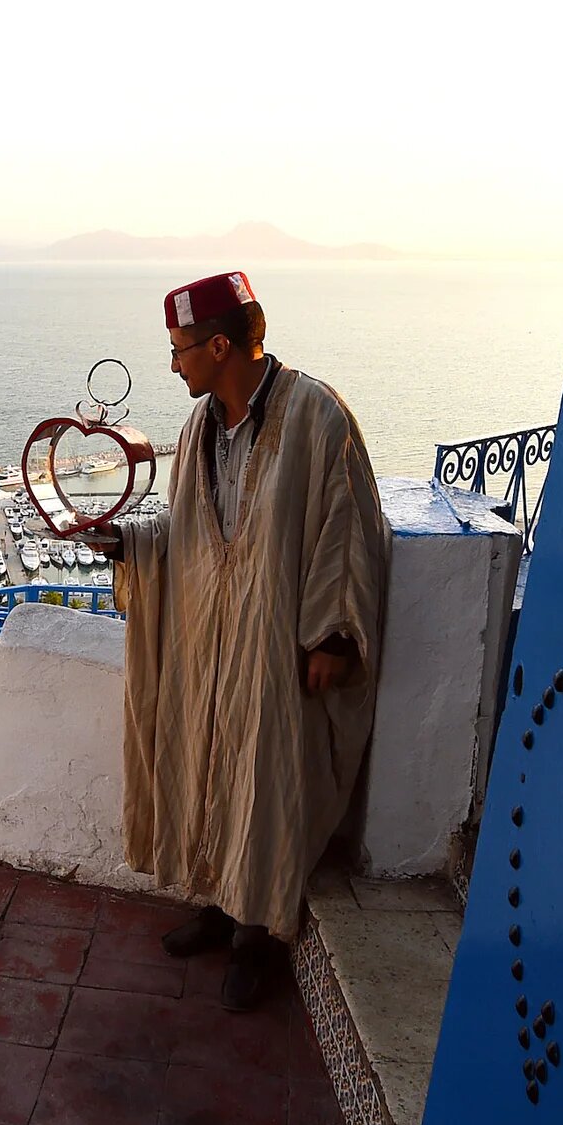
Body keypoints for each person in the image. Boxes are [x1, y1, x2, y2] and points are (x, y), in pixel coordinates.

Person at [89, 271, 389, 1012]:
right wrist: (124, 542)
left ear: (222, 345)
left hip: (279, 644)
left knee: (268, 783)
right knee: (213, 767)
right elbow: (187, 532)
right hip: (214, 643)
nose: (173, 364)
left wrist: (332, 637)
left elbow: (346, 532)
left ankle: (257, 940)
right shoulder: (198, 429)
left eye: (181, 349)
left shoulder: (319, 418)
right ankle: (220, 911)